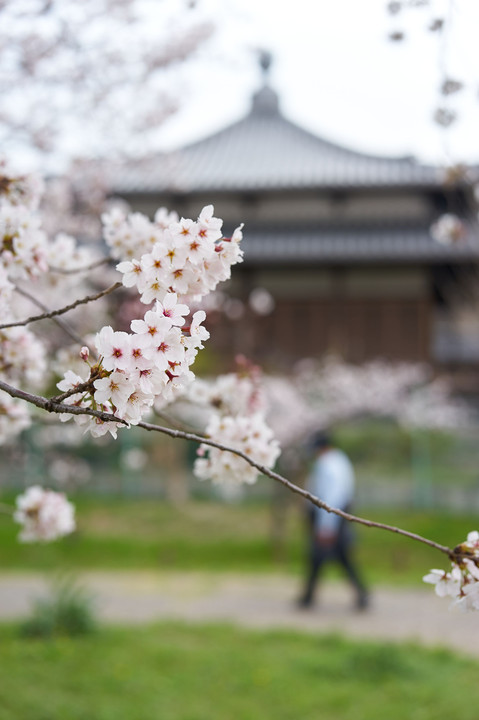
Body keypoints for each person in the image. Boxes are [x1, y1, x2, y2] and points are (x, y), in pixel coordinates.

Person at [298, 430, 369, 610]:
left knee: (331, 557)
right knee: (330, 558)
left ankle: (361, 594)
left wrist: (326, 526)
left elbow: (331, 497)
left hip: (330, 517)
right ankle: (308, 596)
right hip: (334, 517)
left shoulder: (329, 464)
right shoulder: (338, 460)